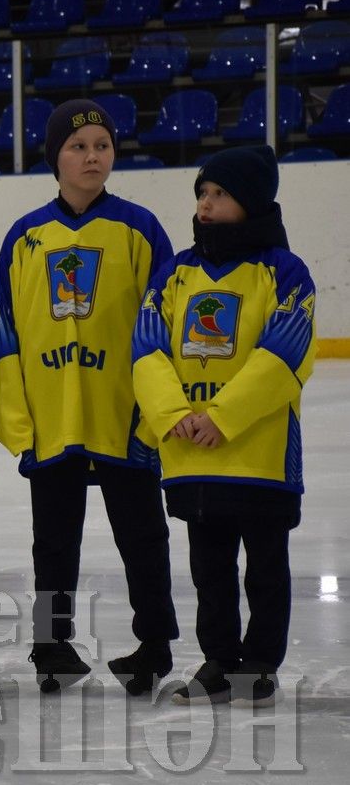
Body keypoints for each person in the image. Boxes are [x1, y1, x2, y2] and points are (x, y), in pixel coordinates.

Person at [0, 99, 180, 695]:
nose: (92, 156)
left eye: (101, 145)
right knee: (54, 539)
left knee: (143, 534)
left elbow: (162, 325)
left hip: (123, 416)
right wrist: (19, 422)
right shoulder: (25, 236)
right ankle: (51, 645)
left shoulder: (140, 228)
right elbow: (9, 336)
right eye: (78, 146)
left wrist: (154, 414)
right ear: (55, 159)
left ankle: (153, 646)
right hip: (53, 420)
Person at [132, 146, 315, 708]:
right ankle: (218, 658)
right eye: (202, 195)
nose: (206, 206)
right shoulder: (175, 274)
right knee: (209, 570)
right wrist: (175, 416)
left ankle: (258, 663)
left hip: (258, 456)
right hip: (192, 455)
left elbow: (285, 355)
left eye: (220, 195)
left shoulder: (284, 272)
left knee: (265, 569)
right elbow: (146, 350)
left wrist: (223, 417)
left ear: (253, 201)